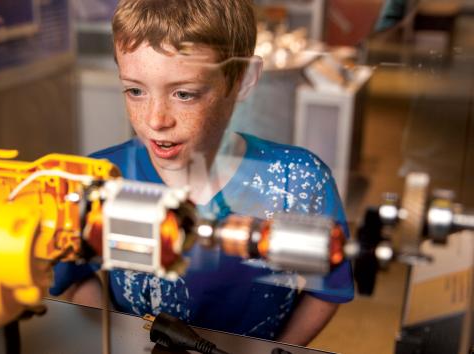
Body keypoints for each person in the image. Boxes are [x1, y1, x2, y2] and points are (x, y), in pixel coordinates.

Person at [51, 0, 354, 345]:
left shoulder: (297, 180)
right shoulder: (101, 178)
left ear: (242, 79)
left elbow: (328, 290)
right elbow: (76, 276)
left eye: (184, 93)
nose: (155, 120)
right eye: (135, 90)